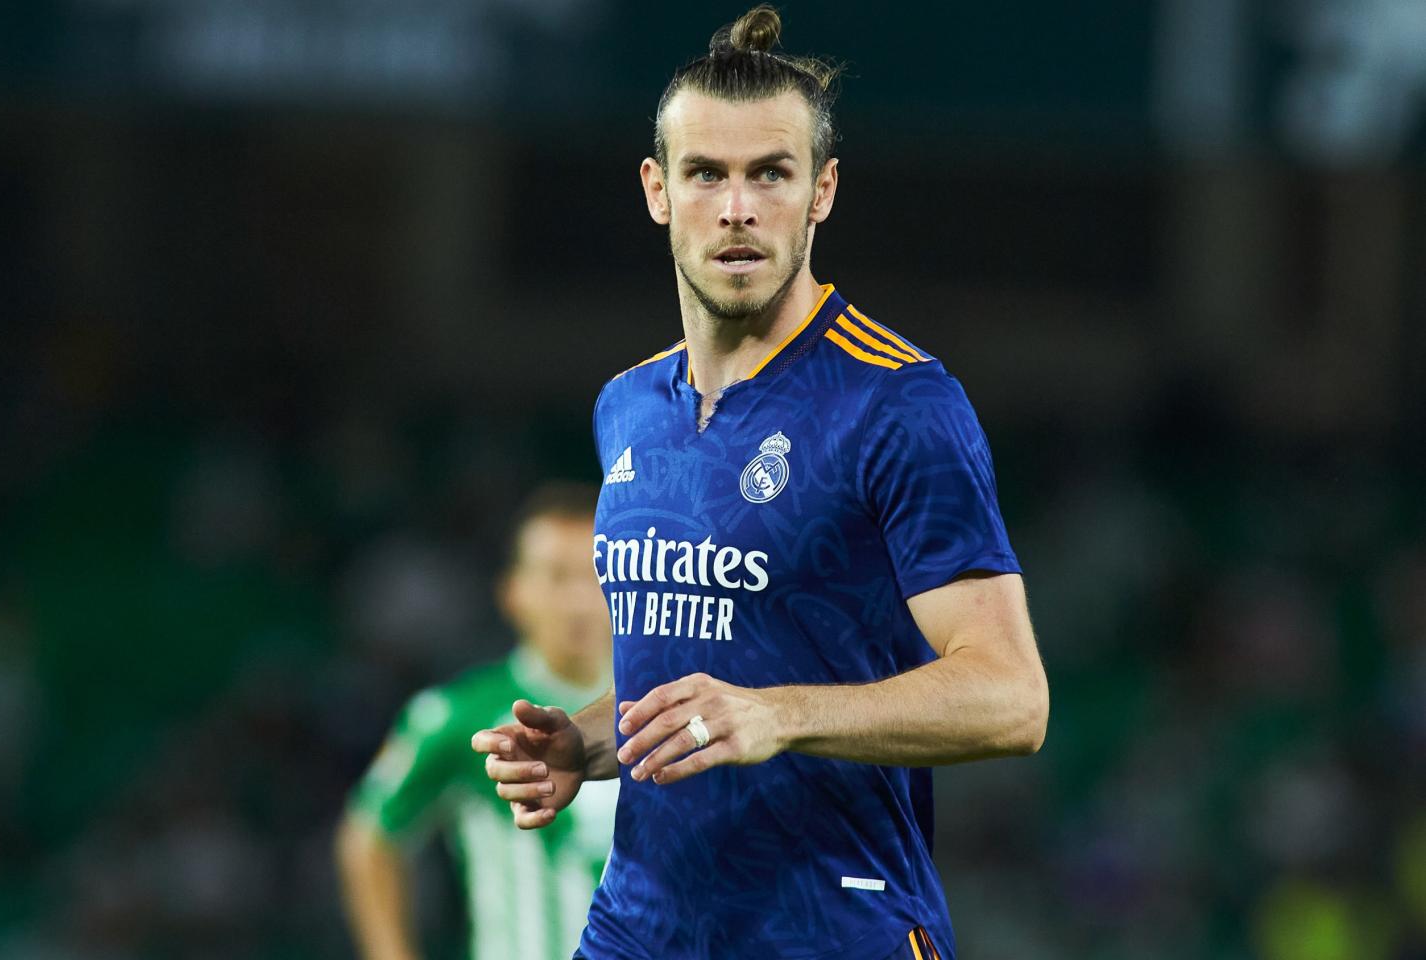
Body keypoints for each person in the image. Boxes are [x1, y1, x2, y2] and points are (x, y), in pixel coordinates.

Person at [471, 7, 1049, 958]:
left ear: (822, 191)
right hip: (640, 928)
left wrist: (779, 714)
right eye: (706, 173)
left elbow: (1012, 699)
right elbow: (696, 681)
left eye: (770, 174)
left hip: (835, 930)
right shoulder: (627, 406)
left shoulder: (896, 404)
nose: (737, 208)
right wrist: (587, 743)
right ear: (658, 190)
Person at [337, 483, 617, 960]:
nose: (578, 600)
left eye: (595, 575)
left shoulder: (664, 706)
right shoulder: (460, 715)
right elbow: (370, 837)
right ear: (513, 593)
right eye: (557, 577)